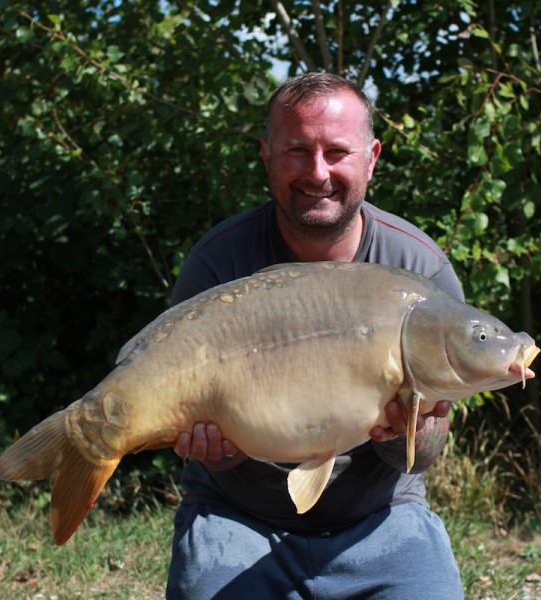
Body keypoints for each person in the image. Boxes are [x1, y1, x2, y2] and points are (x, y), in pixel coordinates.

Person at [166, 72, 465, 599]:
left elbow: (426, 455)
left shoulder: (420, 274)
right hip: (238, 516)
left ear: (372, 157)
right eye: (297, 150)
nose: (317, 172)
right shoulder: (218, 264)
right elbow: (209, 450)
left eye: (337, 152)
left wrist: (407, 433)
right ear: (266, 154)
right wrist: (216, 449)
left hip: (381, 518)